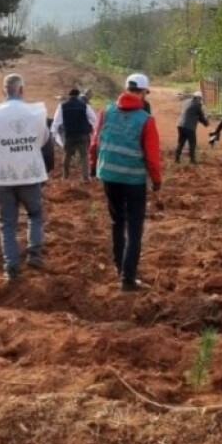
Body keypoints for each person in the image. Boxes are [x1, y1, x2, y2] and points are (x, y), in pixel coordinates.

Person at [0, 74, 55, 282]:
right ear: (22, 90)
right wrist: (46, 172)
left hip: (5, 177)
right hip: (30, 175)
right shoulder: (36, 114)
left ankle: (11, 268)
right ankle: (34, 254)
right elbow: (47, 146)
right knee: (35, 214)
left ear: (4, 91)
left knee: (7, 224)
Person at [90, 72, 163, 292]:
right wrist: (157, 181)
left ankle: (118, 267)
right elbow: (151, 156)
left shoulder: (107, 111)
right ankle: (128, 279)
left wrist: (94, 166)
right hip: (132, 180)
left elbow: (95, 142)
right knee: (134, 229)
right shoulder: (146, 120)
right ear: (142, 93)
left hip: (109, 177)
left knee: (116, 223)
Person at [51, 87, 97, 182]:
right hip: (82, 135)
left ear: (69, 95)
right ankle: (85, 177)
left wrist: (54, 133)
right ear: (78, 95)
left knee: (67, 155)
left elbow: (57, 121)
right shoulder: (84, 105)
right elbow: (93, 118)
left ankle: (65, 176)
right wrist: (89, 127)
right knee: (84, 156)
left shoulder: (63, 106)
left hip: (69, 134)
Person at [174, 91, 209, 164]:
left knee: (181, 142)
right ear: (198, 98)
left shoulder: (186, 102)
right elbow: (201, 117)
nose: (200, 100)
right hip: (189, 127)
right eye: (200, 98)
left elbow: (192, 113)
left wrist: (202, 120)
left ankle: (176, 159)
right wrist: (206, 123)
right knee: (192, 143)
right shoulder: (197, 105)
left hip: (180, 125)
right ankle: (192, 160)